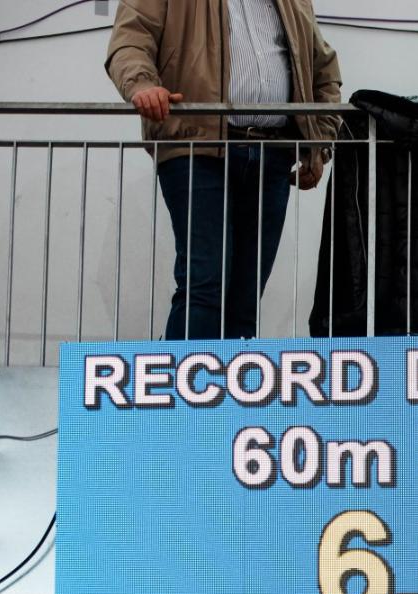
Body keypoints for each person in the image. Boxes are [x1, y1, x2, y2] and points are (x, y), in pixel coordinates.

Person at [106, 0, 341, 341]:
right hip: (197, 148)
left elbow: (324, 72)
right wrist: (141, 84)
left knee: (245, 297)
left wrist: (319, 141)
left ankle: (229, 392)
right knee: (205, 284)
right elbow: (130, 39)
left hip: (272, 153)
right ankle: (179, 390)